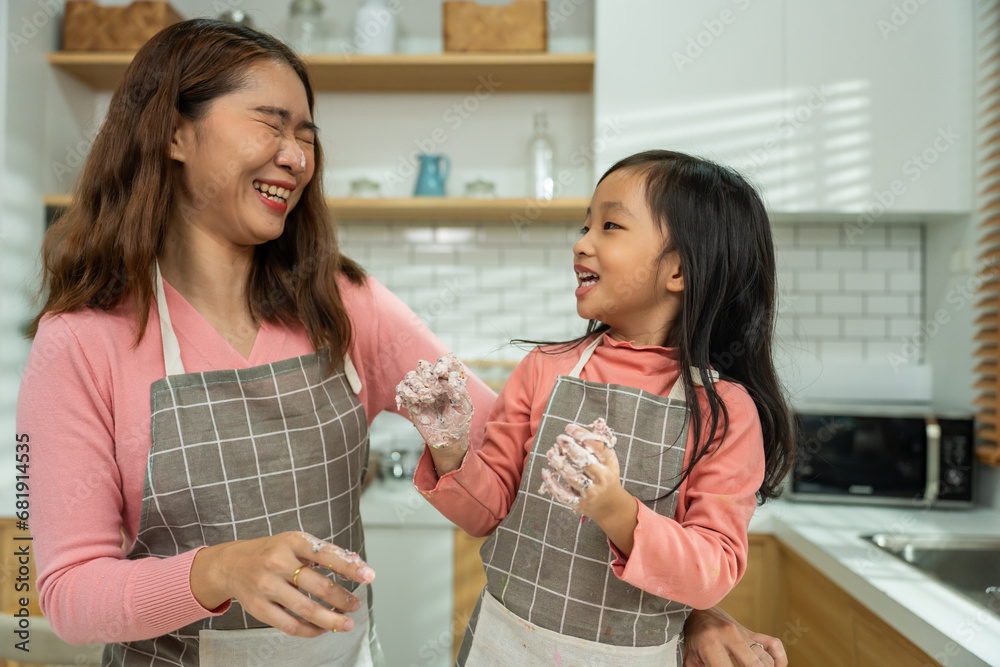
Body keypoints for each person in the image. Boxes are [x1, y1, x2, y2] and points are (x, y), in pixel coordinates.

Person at [16, 18, 499, 666]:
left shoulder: (344, 303)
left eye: (306, 134)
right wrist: (218, 571)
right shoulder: (79, 342)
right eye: (271, 125)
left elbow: (502, 437)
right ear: (174, 133)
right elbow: (69, 595)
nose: (297, 157)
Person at [399, 150, 795, 666]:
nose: (581, 243)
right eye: (586, 225)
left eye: (610, 225)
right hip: (504, 644)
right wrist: (448, 446)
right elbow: (487, 510)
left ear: (678, 270)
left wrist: (615, 509)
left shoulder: (724, 411)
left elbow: (712, 570)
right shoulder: (546, 368)